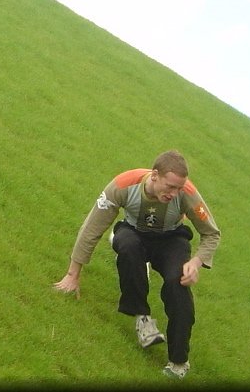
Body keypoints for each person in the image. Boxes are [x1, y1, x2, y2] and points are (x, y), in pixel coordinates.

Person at [54, 150, 221, 379]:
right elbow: (92, 228)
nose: (174, 193)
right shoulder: (123, 184)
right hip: (134, 232)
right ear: (154, 175)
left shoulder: (187, 194)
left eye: (178, 188)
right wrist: (73, 275)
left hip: (171, 240)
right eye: (169, 187)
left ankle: (179, 362)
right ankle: (143, 320)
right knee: (127, 246)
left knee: (177, 284)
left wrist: (196, 261)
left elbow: (212, 234)